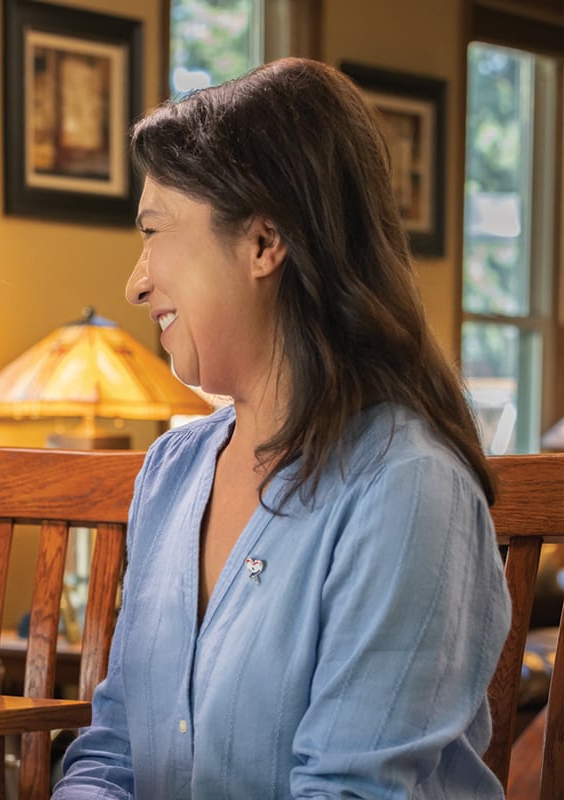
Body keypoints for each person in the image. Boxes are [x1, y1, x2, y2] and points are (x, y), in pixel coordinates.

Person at [54, 58, 511, 798]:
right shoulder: (171, 471)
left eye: (154, 232)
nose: (135, 283)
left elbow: (352, 790)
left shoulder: (408, 489)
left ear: (265, 242)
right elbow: (114, 752)